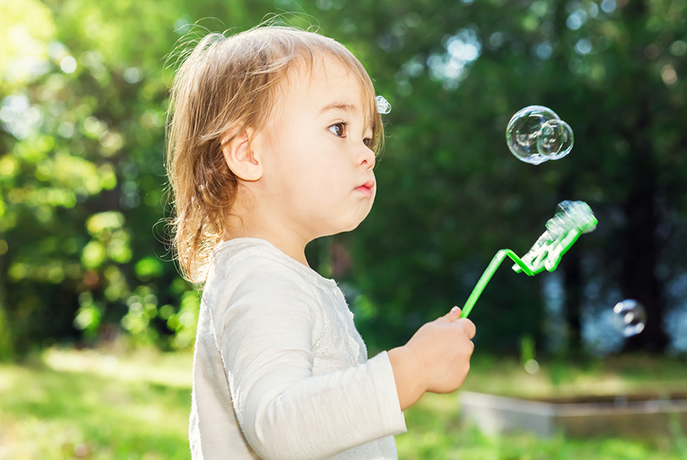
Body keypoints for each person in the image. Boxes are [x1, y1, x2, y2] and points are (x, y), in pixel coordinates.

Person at [166, 23, 476, 460]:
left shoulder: (275, 274)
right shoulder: (261, 281)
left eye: (366, 136)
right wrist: (411, 369)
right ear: (248, 154)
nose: (367, 153)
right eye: (338, 128)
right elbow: (278, 425)